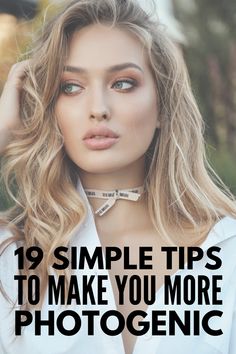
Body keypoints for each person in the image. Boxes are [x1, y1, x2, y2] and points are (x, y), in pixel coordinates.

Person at [0, 0, 236, 353]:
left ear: (162, 104)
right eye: (70, 86)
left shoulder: (226, 249)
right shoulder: (11, 255)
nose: (98, 109)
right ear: (47, 104)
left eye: (123, 83)